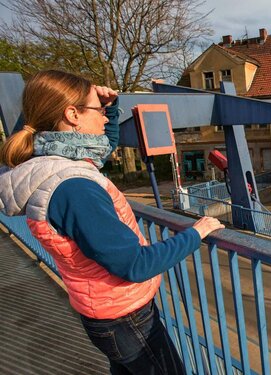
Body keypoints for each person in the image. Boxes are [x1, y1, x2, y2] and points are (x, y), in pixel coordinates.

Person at [0, 70, 224, 374]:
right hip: (124, 317)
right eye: (97, 111)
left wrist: (113, 106)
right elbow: (135, 264)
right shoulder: (75, 189)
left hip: (105, 312)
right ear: (72, 115)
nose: (105, 119)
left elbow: (100, 150)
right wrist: (195, 233)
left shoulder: (52, 163)